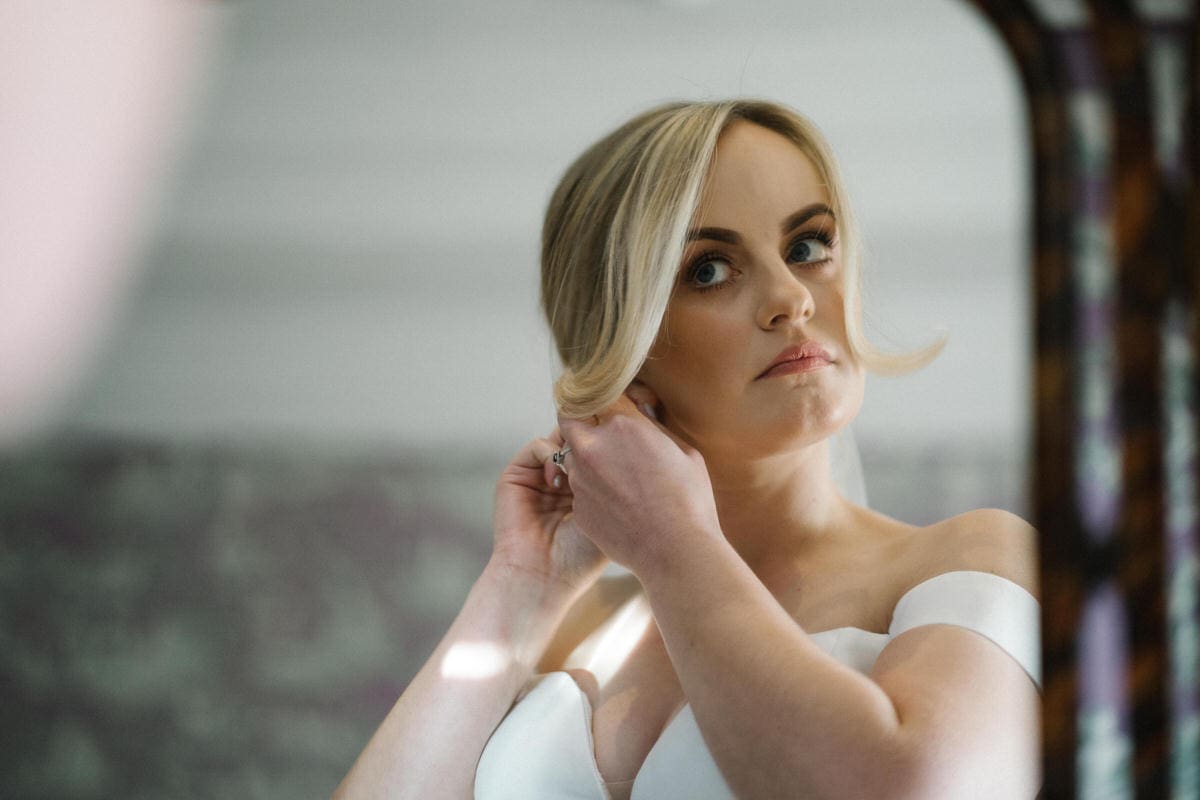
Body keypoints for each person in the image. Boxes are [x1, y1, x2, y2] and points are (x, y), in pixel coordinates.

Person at [335, 99, 1041, 799]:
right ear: (618, 343)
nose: (791, 296)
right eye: (709, 269)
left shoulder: (979, 555)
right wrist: (522, 583)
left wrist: (674, 544)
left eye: (807, 246)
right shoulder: (564, 629)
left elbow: (908, 788)